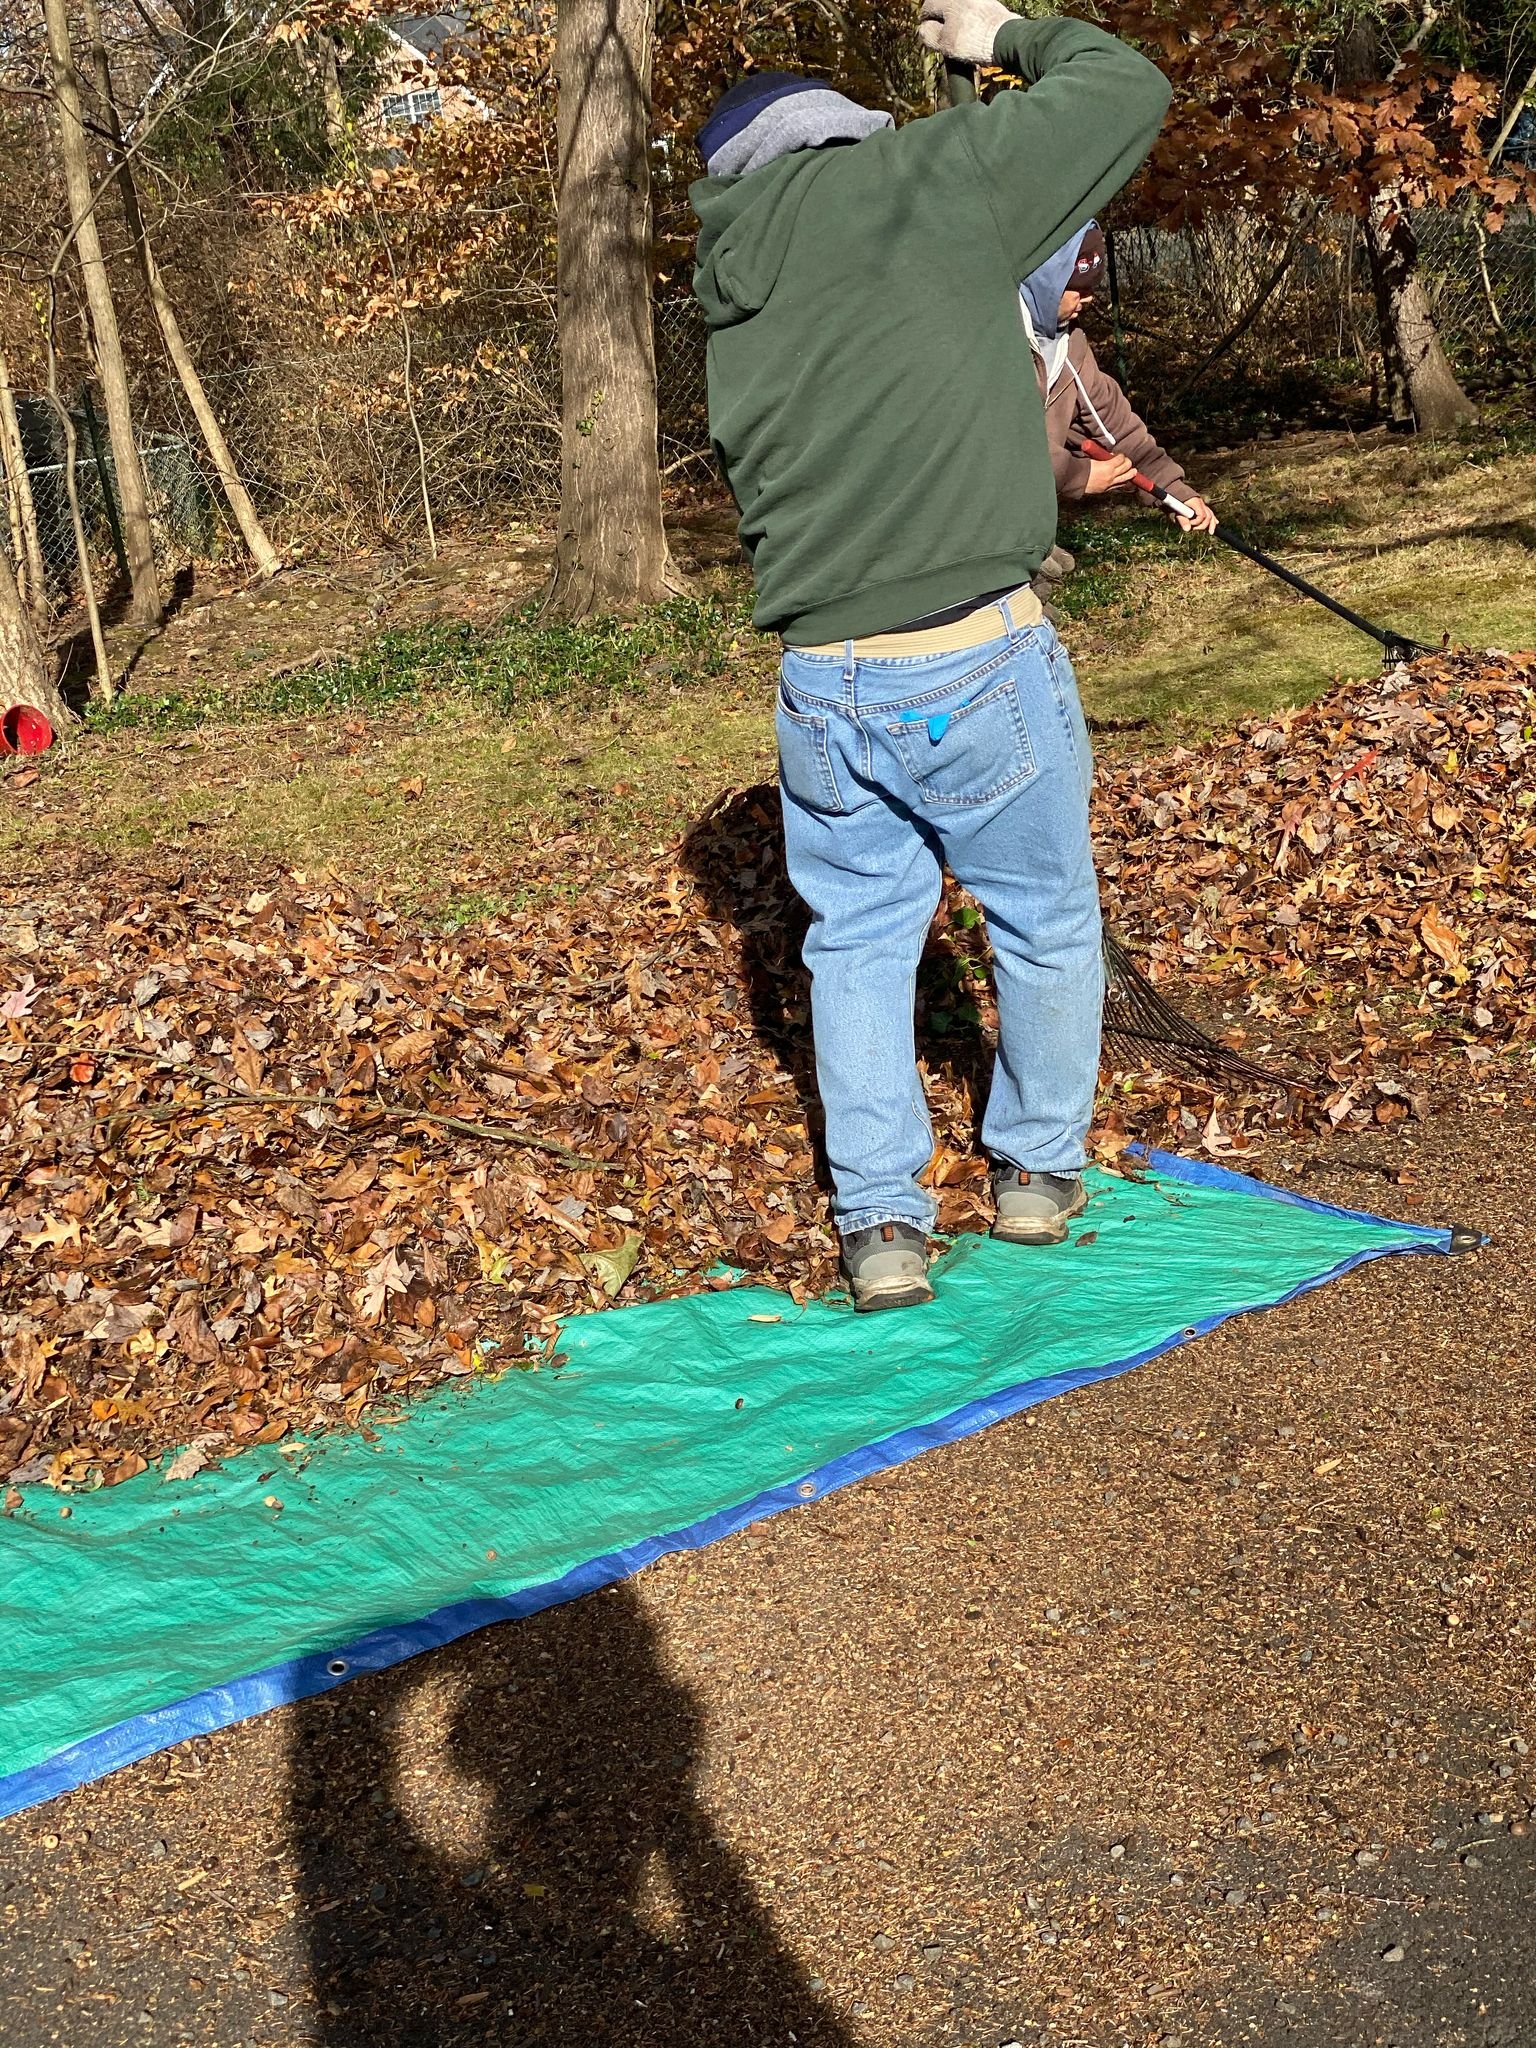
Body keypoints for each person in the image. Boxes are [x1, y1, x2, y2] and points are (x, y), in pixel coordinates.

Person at [691, 0, 1171, 1312]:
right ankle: (1033, 1172)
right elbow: (1125, 87)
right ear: (845, 134)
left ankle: (885, 1228)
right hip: (975, 653)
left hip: (824, 677)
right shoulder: (927, 183)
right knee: (1046, 915)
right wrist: (1000, 33)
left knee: (854, 944)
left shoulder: (732, 290)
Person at [1023, 221, 1216, 618]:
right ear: (1044, 278)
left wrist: (1176, 492)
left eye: (1095, 285)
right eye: (1078, 285)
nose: (1089, 298)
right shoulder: (993, 339)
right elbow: (995, 444)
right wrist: (1076, 475)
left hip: (1020, 528)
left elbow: (1114, 425)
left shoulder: (1069, 343)